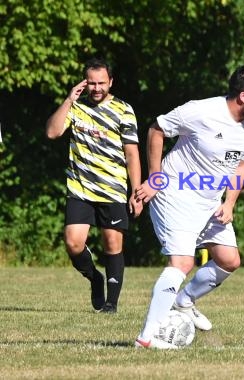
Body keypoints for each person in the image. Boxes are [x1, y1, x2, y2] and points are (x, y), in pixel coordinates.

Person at [134, 65, 244, 349]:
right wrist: (156, 177)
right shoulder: (201, 111)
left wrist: (230, 202)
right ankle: (147, 338)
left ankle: (184, 301)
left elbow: (243, 163)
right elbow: (157, 130)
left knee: (229, 260)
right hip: (176, 194)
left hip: (210, 203)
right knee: (183, 263)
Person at [46, 58, 142, 314]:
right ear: (84, 82)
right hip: (80, 188)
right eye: (92, 83)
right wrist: (68, 100)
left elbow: (132, 153)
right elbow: (53, 133)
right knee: (73, 243)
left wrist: (137, 191)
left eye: (101, 83)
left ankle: (111, 303)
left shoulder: (124, 109)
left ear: (111, 82)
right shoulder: (76, 108)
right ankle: (94, 278)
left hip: (112, 189)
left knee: (113, 245)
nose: (97, 88)